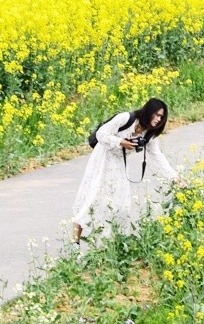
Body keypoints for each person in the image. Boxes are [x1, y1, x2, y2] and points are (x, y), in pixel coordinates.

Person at [71, 98, 176, 242]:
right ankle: (75, 243)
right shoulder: (126, 118)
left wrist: (174, 177)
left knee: (120, 204)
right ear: (148, 111)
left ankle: (112, 243)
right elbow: (101, 134)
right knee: (91, 197)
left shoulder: (148, 134)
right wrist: (121, 142)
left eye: (161, 117)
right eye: (156, 115)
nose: (158, 119)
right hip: (102, 159)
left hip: (119, 164)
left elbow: (157, 156)